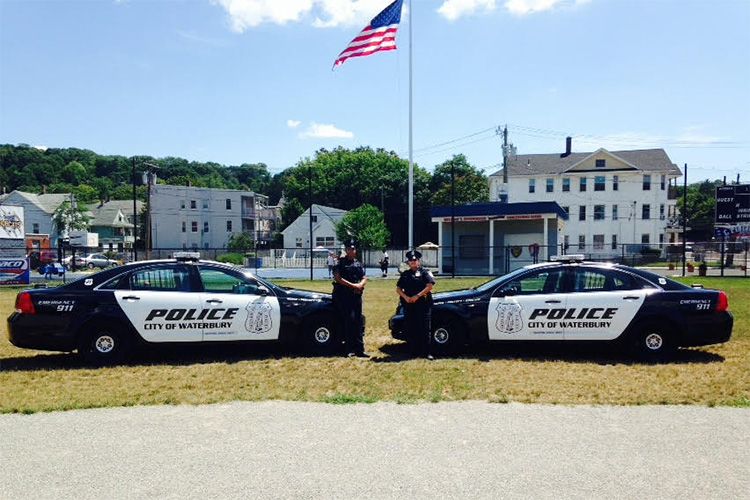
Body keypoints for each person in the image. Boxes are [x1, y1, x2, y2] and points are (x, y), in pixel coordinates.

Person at [396, 250, 436, 360]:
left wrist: (417, 296)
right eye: (411, 261)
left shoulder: (425, 272)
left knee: (424, 328)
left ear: (418, 261)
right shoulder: (405, 274)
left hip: (423, 304)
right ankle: (413, 351)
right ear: (408, 263)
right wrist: (406, 297)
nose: (413, 262)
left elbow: (429, 286)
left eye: (415, 260)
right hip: (409, 305)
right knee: (411, 328)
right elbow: (398, 289)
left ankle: (426, 352)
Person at [332, 239, 368, 358]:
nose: (351, 251)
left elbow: (364, 277)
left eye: (353, 249)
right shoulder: (340, 263)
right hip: (344, 296)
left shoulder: (358, 263)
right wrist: (354, 286)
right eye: (348, 249)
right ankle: (349, 349)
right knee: (349, 321)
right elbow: (338, 278)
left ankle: (360, 349)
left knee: (358, 321)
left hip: (356, 296)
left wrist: (361, 284)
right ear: (346, 250)